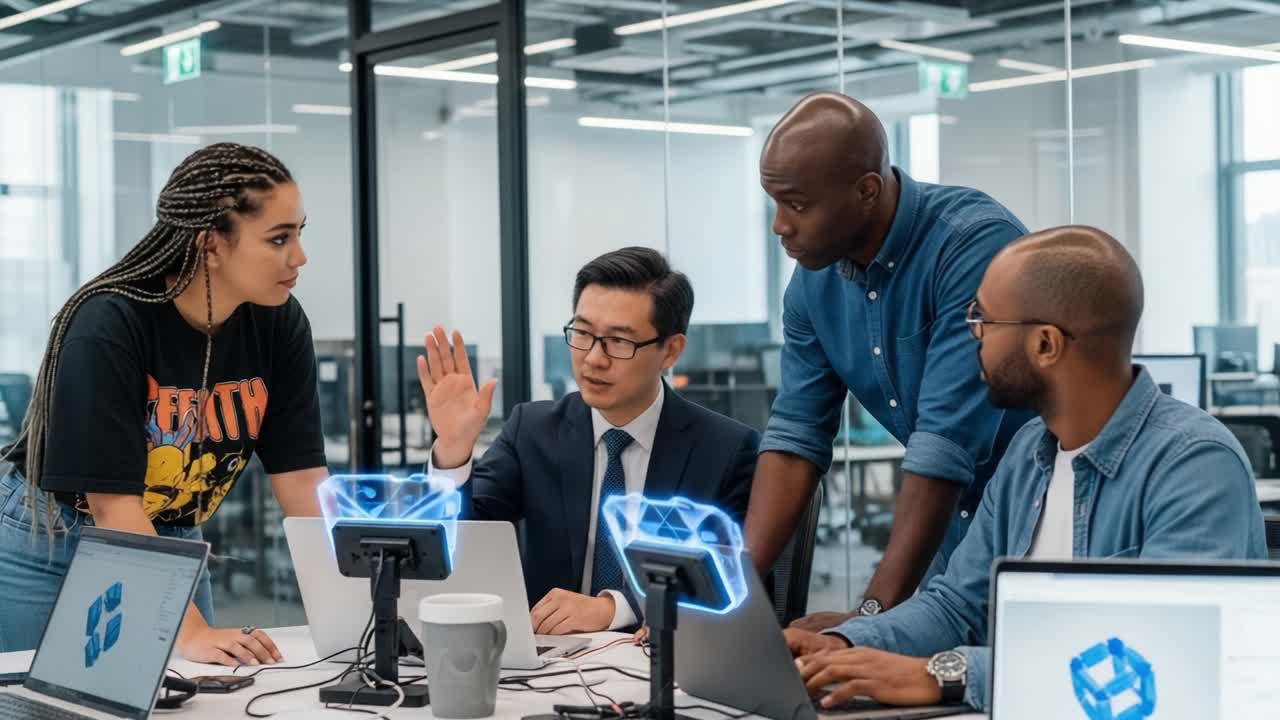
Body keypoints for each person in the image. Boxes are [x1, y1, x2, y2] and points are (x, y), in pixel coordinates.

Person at [783, 225, 1267, 711]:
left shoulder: (1194, 465)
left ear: (1045, 345)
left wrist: (947, 673)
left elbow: (1157, 655)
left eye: (983, 319)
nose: (972, 334)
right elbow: (955, 606)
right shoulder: (1028, 453)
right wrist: (843, 645)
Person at [0, 143, 329, 666]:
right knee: (43, 693)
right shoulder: (109, 323)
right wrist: (188, 630)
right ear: (210, 243)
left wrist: (353, 602)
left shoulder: (279, 322)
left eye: (299, 234)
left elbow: (302, 479)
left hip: (168, 535)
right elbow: (112, 505)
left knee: (196, 688)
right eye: (279, 238)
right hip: (54, 538)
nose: (299, 257)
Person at [747, 91, 1036, 629]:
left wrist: (870, 617)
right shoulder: (811, 285)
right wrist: (727, 596)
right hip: (945, 552)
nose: (779, 225)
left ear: (866, 191)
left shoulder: (971, 245)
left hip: (1035, 532)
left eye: (798, 205)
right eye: (774, 202)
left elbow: (944, 444)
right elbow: (794, 438)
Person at [420, 247, 758, 635]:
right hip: (548, 658)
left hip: (661, 659)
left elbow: (732, 581)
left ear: (670, 351)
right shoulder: (532, 431)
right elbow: (460, 547)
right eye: (582, 333)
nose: (594, 359)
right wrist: (453, 449)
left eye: (619, 341)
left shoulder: (725, 451)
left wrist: (616, 607)